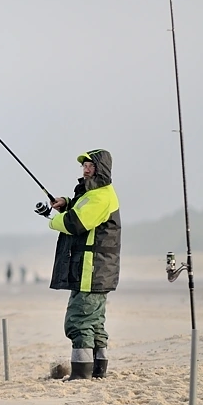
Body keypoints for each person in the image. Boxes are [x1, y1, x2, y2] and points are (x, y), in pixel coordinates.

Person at [36, 149, 121, 381]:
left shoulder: (101, 196)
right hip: (95, 270)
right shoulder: (94, 194)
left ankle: (81, 375)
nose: (85, 169)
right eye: (84, 165)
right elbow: (79, 208)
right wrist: (66, 203)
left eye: (90, 165)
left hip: (91, 270)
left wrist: (52, 220)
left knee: (78, 320)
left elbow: (77, 223)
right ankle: (97, 372)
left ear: (100, 169)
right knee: (94, 322)